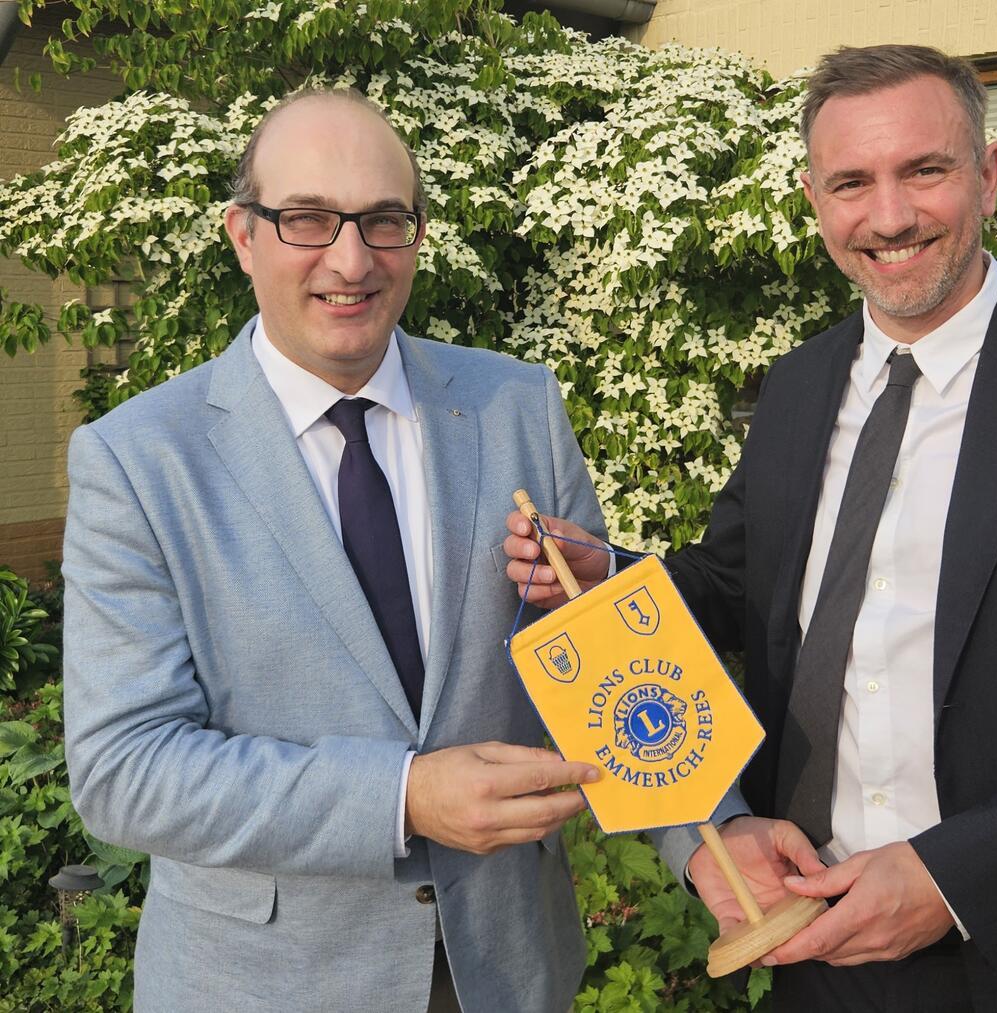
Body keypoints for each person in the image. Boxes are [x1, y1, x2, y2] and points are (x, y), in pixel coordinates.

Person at [502, 45, 997, 1011]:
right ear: (813, 198)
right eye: (851, 182)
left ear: (991, 174)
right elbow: (740, 590)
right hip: (824, 951)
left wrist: (955, 876)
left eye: (926, 169)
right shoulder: (793, 392)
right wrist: (607, 574)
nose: (889, 215)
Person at [62, 88, 605, 1013]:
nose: (351, 261)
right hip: (266, 984)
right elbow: (126, 769)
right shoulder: (138, 459)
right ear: (243, 235)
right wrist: (400, 797)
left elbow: (604, 667)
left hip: (507, 969)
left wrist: (713, 842)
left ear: (417, 234)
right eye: (308, 219)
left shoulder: (518, 406)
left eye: (385, 221)